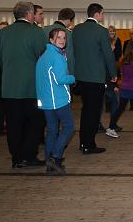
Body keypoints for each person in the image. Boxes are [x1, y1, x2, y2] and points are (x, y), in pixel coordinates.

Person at [0, 1, 47, 168]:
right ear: (29, 14)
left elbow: (0, 58)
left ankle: (16, 158)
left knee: (14, 124)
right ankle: (29, 156)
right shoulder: (36, 32)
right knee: (35, 123)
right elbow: (43, 58)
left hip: (9, 87)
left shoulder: (3, 33)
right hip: (31, 87)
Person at [72, 3, 116, 154]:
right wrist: (113, 73)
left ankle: (83, 142)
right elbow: (108, 55)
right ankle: (88, 144)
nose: (103, 16)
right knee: (94, 112)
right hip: (96, 77)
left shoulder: (77, 29)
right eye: (102, 13)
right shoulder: (101, 31)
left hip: (80, 77)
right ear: (97, 14)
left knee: (85, 110)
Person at [35, 28, 75, 175]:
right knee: (69, 127)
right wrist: (73, 78)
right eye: (58, 37)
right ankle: (55, 156)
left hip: (46, 100)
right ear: (51, 40)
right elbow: (61, 79)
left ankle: (49, 161)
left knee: (52, 131)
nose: (62, 40)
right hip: (58, 100)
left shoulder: (44, 56)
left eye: (64, 37)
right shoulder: (57, 56)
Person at [42, 8, 76, 75]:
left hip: (44, 68)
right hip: (60, 70)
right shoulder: (68, 34)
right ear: (69, 20)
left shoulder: (43, 30)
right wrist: (71, 74)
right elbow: (69, 56)